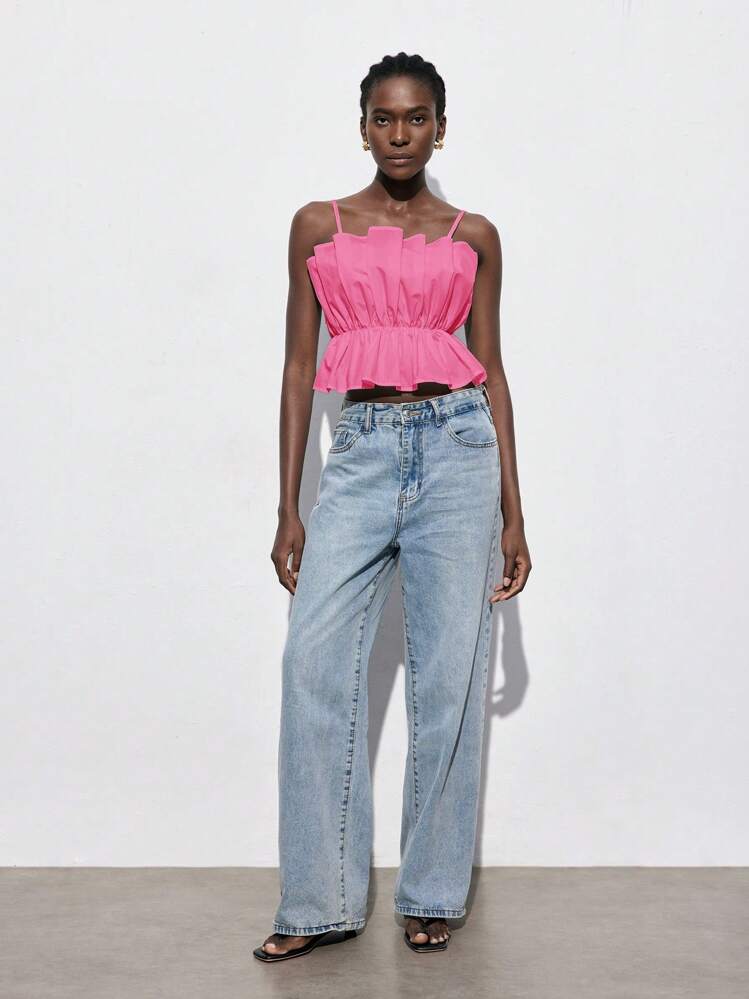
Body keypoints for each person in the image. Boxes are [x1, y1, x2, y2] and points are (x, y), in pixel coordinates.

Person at [254, 51, 531, 963]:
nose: (399, 134)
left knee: (448, 680)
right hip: (362, 452)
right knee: (311, 665)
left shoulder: (473, 235)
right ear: (363, 126)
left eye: (416, 118)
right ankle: (317, 901)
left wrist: (513, 512)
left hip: (458, 450)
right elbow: (299, 369)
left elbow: (491, 371)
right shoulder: (318, 226)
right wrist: (290, 505)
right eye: (384, 118)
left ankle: (432, 893)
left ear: (440, 129)